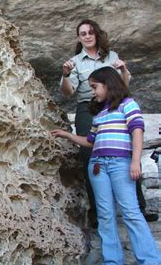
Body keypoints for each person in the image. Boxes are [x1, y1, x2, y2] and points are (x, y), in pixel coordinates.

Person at [52, 67, 161, 265]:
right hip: (98, 166)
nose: (93, 92)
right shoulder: (100, 114)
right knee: (105, 214)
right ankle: (112, 261)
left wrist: (135, 162)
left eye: (95, 87)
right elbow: (90, 141)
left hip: (121, 163)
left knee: (131, 211)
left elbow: (137, 132)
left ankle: (150, 260)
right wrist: (67, 135)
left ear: (108, 84)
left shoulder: (128, 105)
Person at [60, 19, 157, 227]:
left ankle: (138, 207)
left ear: (96, 35)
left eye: (90, 32)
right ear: (79, 38)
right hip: (88, 107)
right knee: (89, 155)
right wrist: (66, 75)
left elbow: (123, 85)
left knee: (128, 150)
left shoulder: (111, 57)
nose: (87, 36)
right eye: (82, 33)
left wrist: (123, 69)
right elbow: (68, 92)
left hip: (113, 105)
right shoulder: (75, 61)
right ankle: (98, 212)